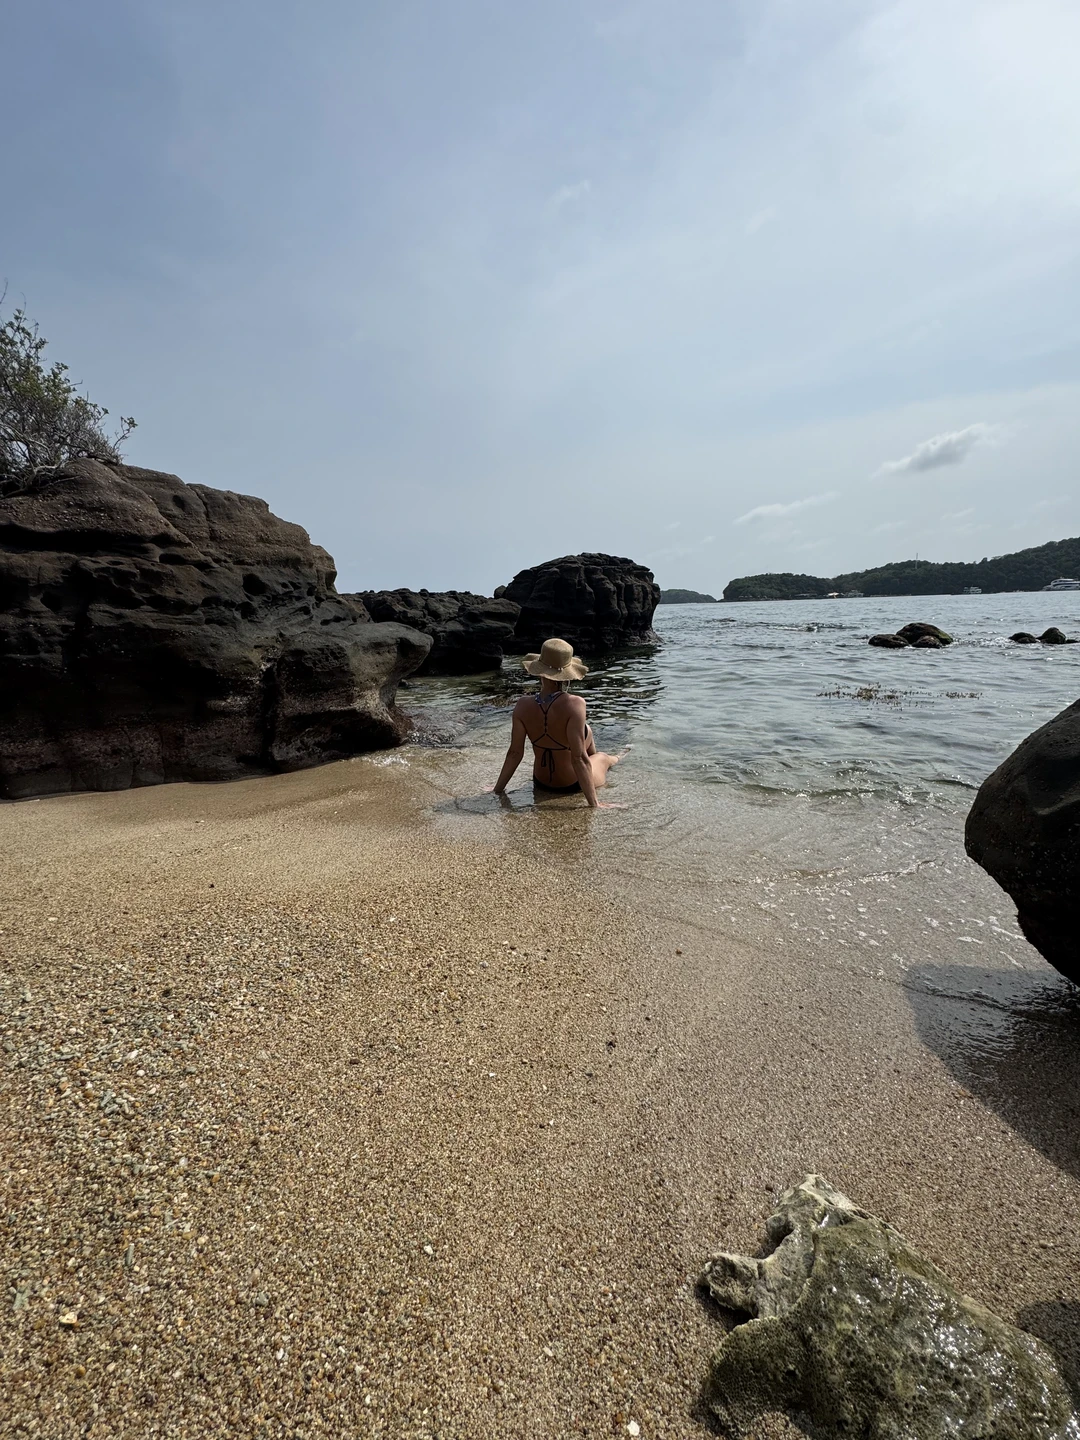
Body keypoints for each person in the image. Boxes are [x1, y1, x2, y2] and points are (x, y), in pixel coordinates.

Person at [490, 638, 623, 808]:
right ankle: (619, 757)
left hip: (540, 782)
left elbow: (514, 753)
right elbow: (578, 759)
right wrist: (594, 804)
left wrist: (498, 789)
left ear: (540, 671)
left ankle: (604, 760)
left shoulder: (522, 705)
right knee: (602, 757)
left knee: (586, 731)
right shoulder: (575, 704)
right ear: (566, 675)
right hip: (571, 784)